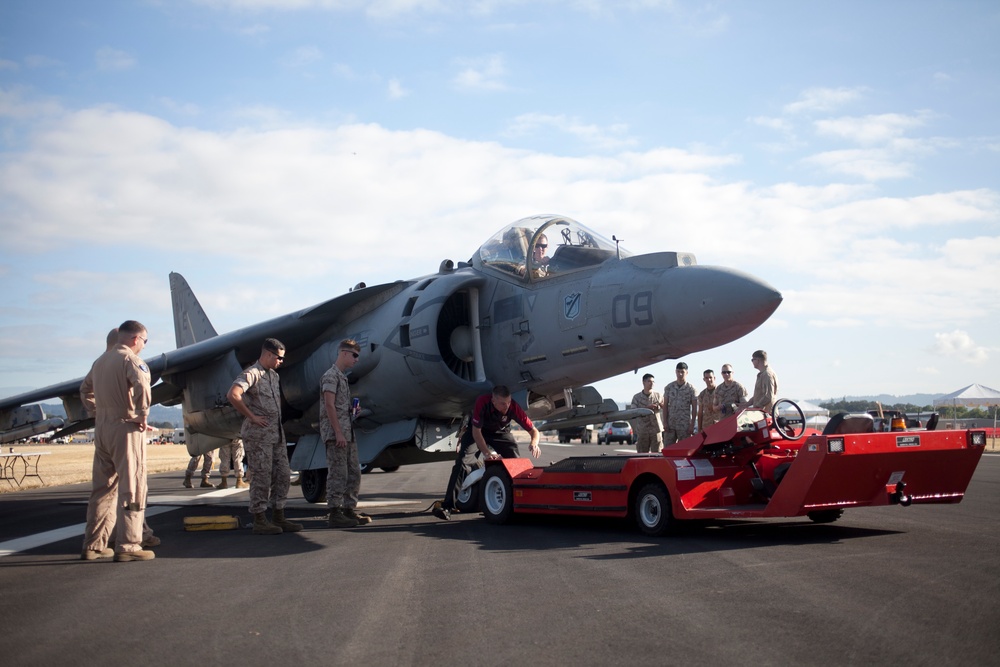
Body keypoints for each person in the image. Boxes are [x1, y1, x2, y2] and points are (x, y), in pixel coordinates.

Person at [80, 327, 161, 555]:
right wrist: (142, 413)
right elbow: (142, 385)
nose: (144, 345)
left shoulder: (99, 362)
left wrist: (97, 412)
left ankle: (93, 545)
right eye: (145, 340)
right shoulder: (131, 359)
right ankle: (129, 545)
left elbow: (84, 389)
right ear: (136, 338)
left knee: (102, 490)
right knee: (133, 488)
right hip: (125, 428)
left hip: (102, 429)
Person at [227, 338, 302, 535]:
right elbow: (233, 394)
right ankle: (259, 519)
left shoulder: (274, 377)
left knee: (283, 474)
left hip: (276, 434)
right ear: (268, 354)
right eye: (279, 357)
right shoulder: (252, 373)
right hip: (258, 435)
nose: (281, 361)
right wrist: (251, 416)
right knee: (261, 476)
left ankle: (279, 516)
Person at [433, 385, 541, 521]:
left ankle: (517, 505)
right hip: (477, 431)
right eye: (502, 403)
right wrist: (487, 452)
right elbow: (476, 432)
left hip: (500, 433)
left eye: (508, 402)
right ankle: (447, 506)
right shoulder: (482, 402)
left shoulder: (513, 407)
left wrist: (534, 443)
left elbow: (534, 431)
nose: (506, 406)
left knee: (515, 463)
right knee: (463, 463)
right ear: (493, 401)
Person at [320, 339, 371, 528]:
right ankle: (335, 512)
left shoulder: (342, 377)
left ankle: (349, 510)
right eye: (354, 355)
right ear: (343, 353)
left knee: (353, 473)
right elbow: (328, 405)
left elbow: (338, 406)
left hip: (347, 432)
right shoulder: (330, 376)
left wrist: (352, 411)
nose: (357, 360)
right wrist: (338, 432)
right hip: (337, 435)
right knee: (338, 473)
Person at [662, 362, 697, 445]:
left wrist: (692, 425)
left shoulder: (691, 389)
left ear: (687, 373)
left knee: (684, 450)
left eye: (682, 372)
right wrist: (665, 422)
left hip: (684, 426)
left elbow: (695, 409)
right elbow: (665, 405)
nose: (680, 374)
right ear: (675, 372)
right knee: (668, 449)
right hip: (671, 425)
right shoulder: (669, 387)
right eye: (678, 372)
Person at [628, 373, 663, 453]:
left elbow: (665, 406)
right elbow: (633, 411)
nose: (652, 384)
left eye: (653, 382)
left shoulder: (659, 396)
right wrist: (647, 408)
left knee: (657, 454)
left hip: (656, 430)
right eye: (649, 381)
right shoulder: (636, 397)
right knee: (642, 454)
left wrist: (660, 406)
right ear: (643, 382)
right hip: (643, 430)